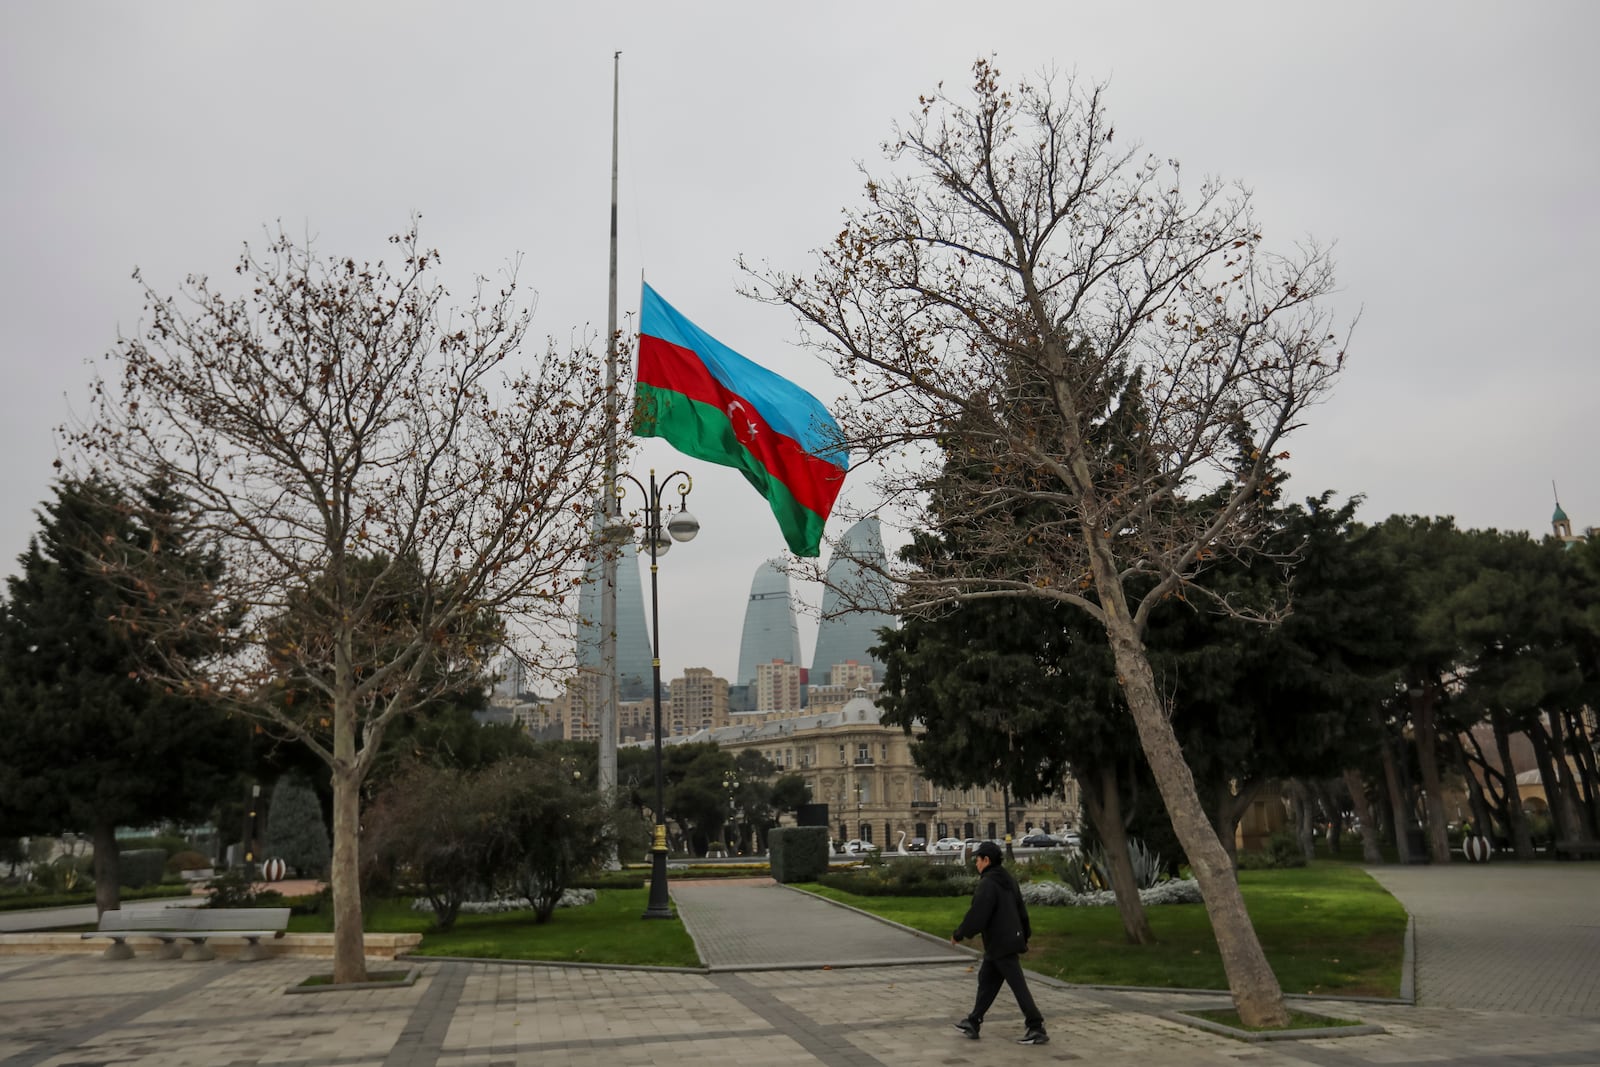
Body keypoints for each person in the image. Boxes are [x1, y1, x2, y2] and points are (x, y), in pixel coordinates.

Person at [949, 840, 1048, 1044]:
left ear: (986, 860)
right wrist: (1025, 934)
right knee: (987, 980)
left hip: (1001, 943)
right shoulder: (1007, 879)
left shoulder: (989, 883)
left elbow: (978, 914)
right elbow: (1021, 909)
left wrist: (959, 934)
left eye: (977, 859)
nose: (976, 863)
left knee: (1018, 985)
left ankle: (1036, 1026)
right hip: (1004, 941)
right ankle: (973, 1021)